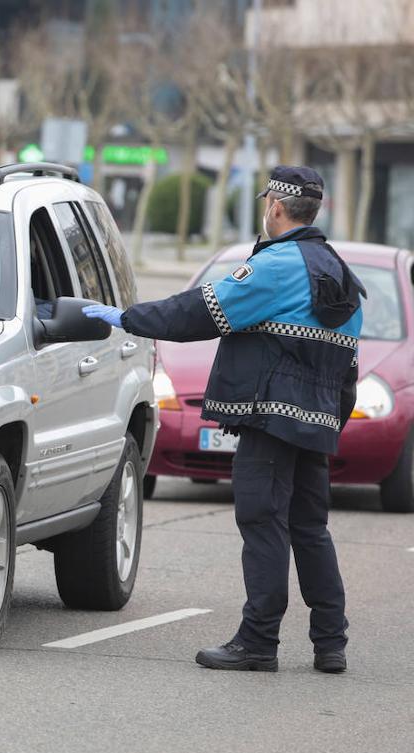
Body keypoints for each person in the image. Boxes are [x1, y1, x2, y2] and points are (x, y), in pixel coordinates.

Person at [83, 166, 364, 674]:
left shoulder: (277, 266)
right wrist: (327, 426)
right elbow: (348, 369)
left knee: (261, 523)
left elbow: (201, 311)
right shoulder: (342, 273)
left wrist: (125, 317)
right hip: (315, 426)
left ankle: (258, 641)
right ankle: (330, 643)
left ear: (275, 207)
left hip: (270, 421)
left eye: (267, 203)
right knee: (310, 528)